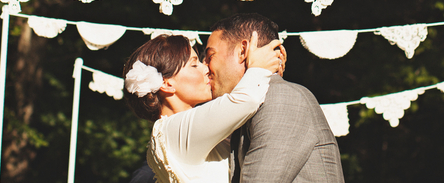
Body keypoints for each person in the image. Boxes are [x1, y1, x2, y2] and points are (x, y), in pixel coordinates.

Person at [123, 33, 283, 183]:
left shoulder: (183, 132)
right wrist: (259, 68)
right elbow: (246, 100)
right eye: (194, 65)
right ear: (167, 83)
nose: (206, 68)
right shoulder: (173, 130)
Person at [205, 14, 345, 183]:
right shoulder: (254, 106)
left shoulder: (281, 97)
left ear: (243, 51)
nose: (205, 66)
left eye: (210, 56)